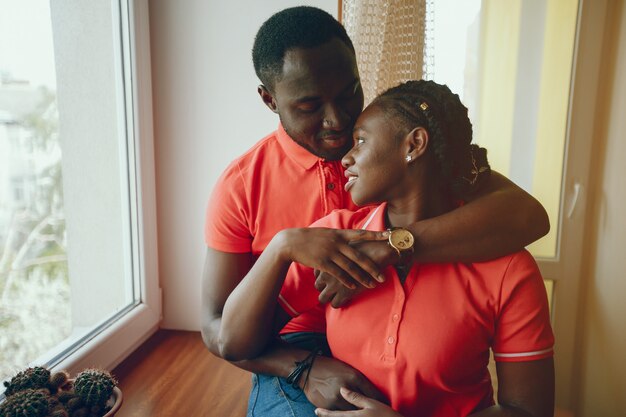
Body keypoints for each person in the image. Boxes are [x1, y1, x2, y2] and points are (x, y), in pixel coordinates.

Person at [201, 6, 550, 416]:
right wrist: (305, 368)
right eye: (310, 106)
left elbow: (528, 216)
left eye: (349, 92)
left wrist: (391, 246)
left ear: (413, 146)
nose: (339, 121)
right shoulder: (243, 185)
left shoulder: (399, 140)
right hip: (286, 346)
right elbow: (220, 330)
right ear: (270, 99)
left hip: (401, 344)